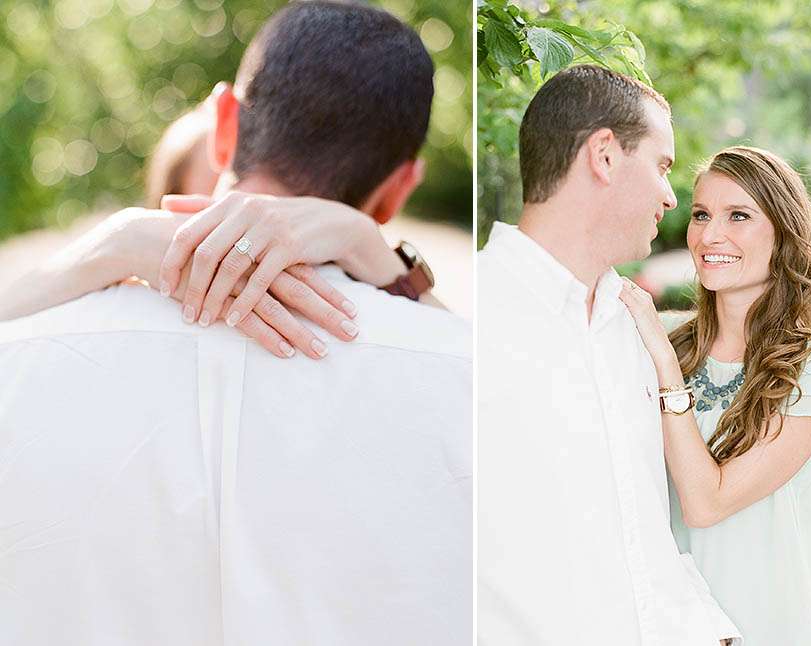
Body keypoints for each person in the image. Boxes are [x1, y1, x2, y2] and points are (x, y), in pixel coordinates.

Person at [0, 3, 471, 645]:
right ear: (400, 189)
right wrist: (381, 256)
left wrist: (103, 249)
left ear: (224, 125)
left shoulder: (25, 359)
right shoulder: (469, 389)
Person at [478, 64, 740, 644]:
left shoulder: (631, 327)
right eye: (662, 165)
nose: (672, 197)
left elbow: (638, 528)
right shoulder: (471, 317)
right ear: (604, 155)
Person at [618, 146, 811, 646]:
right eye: (701, 215)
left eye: (739, 215)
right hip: (660, 627)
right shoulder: (663, 337)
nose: (710, 235)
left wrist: (667, 370)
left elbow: (706, 503)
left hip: (758, 630)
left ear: (783, 234)